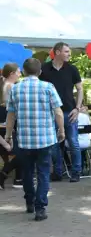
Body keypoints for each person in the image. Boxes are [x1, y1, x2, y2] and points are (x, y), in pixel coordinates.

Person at [4, 58, 65, 221]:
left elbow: (10, 115)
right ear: (39, 72)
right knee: (44, 173)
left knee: (27, 173)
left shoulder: (15, 89)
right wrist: (61, 130)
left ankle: (29, 202)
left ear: (24, 72)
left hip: (24, 141)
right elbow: (58, 112)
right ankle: (40, 208)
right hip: (45, 140)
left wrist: (8, 136)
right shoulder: (48, 87)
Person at [40, 42, 83, 182]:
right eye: (66, 51)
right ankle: (58, 172)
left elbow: (80, 89)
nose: (69, 54)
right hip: (50, 112)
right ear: (57, 52)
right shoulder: (44, 69)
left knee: (73, 142)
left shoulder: (72, 69)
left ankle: (76, 172)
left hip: (69, 112)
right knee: (54, 144)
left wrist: (77, 108)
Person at [0, 63, 22, 189]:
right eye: (18, 72)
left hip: (9, 119)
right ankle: (7, 175)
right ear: (12, 74)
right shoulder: (11, 86)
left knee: (20, 151)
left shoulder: (6, 84)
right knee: (20, 151)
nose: (20, 74)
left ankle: (17, 177)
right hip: (11, 120)